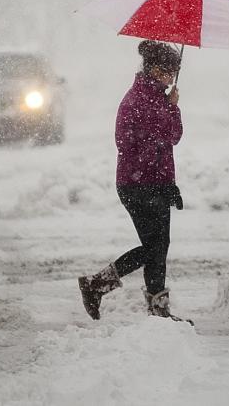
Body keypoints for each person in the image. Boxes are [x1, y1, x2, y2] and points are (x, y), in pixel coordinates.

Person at [78, 40, 189, 323]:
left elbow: (174, 136)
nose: (171, 77)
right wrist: (161, 128)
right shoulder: (137, 100)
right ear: (153, 68)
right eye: (168, 71)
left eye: (175, 72)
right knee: (155, 247)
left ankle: (153, 308)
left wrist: (173, 108)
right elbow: (130, 144)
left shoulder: (160, 99)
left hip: (155, 183)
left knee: (158, 247)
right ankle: (98, 287)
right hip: (138, 185)